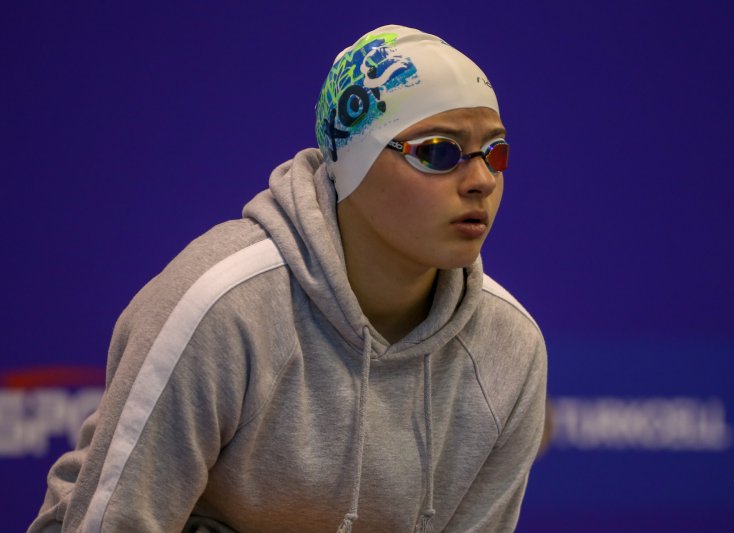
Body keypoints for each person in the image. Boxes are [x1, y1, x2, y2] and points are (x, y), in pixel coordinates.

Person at [29, 24, 547, 533]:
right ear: (353, 162)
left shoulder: (509, 346)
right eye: (439, 151)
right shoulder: (224, 306)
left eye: (496, 153)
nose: (481, 180)